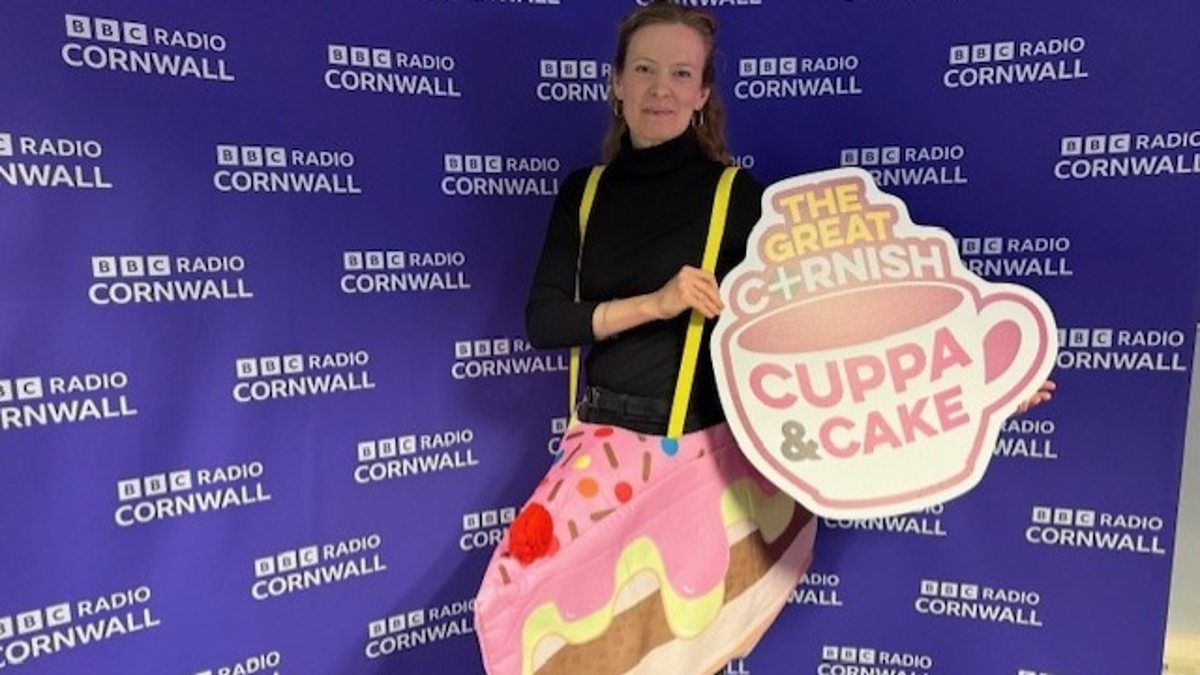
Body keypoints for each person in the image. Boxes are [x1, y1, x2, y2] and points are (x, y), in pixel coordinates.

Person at [474, 4, 817, 675]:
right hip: (602, 446)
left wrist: (985, 381)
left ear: (703, 93)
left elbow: (812, 324)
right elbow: (546, 321)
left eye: (681, 74)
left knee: (669, 649)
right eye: (645, 70)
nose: (661, 89)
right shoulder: (584, 192)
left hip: (702, 458)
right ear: (617, 82)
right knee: (523, 615)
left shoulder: (739, 198)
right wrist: (655, 303)